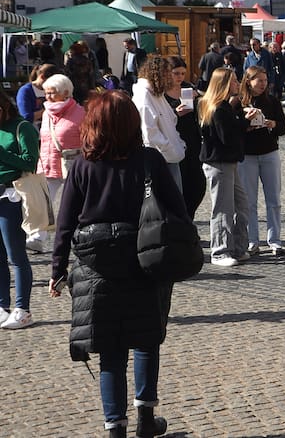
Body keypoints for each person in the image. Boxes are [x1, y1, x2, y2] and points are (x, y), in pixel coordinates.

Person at [49, 90, 185, 438]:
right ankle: (146, 419)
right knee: (146, 339)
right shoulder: (150, 161)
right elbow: (177, 210)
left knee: (111, 350)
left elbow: (65, 224)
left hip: (96, 266)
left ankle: (115, 429)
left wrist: (57, 270)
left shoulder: (83, 165)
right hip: (144, 259)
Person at [199, 68, 260, 267]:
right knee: (223, 209)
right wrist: (244, 122)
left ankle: (237, 247)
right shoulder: (217, 108)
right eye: (234, 81)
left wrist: (242, 120)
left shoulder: (226, 106)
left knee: (242, 205)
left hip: (229, 162)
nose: (237, 83)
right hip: (219, 162)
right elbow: (227, 137)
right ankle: (220, 251)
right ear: (224, 84)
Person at [240, 65, 285, 257]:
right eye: (259, 80)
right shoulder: (239, 102)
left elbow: (284, 127)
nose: (263, 84)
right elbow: (234, 129)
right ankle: (252, 241)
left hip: (269, 153)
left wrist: (273, 124)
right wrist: (246, 125)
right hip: (247, 155)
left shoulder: (272, 101)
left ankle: (275, 240)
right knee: (249, 201)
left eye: (265, 80)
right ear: (248, 81)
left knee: (274, 199)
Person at [0, 90, 38, 329]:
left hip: (11, 197)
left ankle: (23, 309)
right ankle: (2, 305)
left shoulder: (21, 127)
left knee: (16, 255)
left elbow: (30, 162)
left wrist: (3, 154)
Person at [133, 56, 187, 191]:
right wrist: (170, 148)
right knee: (169, 199)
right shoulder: (144, 96)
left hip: (169, 157)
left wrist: (178, 144)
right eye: (168, 74)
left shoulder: (157, 94)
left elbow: (171, 120)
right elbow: (149, 133)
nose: (170, 79)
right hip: (160, 160)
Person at [37, 73, 86, 221]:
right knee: (48, 209)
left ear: (65, 92)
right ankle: (48, 232)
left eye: (52, 93)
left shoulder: (81, 113)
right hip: (48, 167)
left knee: (74, 207)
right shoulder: (46, 114)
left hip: (71, 167)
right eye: (46, 93)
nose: (47, 97)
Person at [164, 57, 205, 220]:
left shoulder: (188, 88)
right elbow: (159, 117)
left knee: (197, 185)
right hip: (173, 141)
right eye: (176, 73)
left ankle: (189, 217)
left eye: (182, 73)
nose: (180, 77)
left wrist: (198, 100)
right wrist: (176, 112)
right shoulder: (161, 93)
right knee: (178, 183)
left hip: (192, 141)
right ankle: (180, 220)